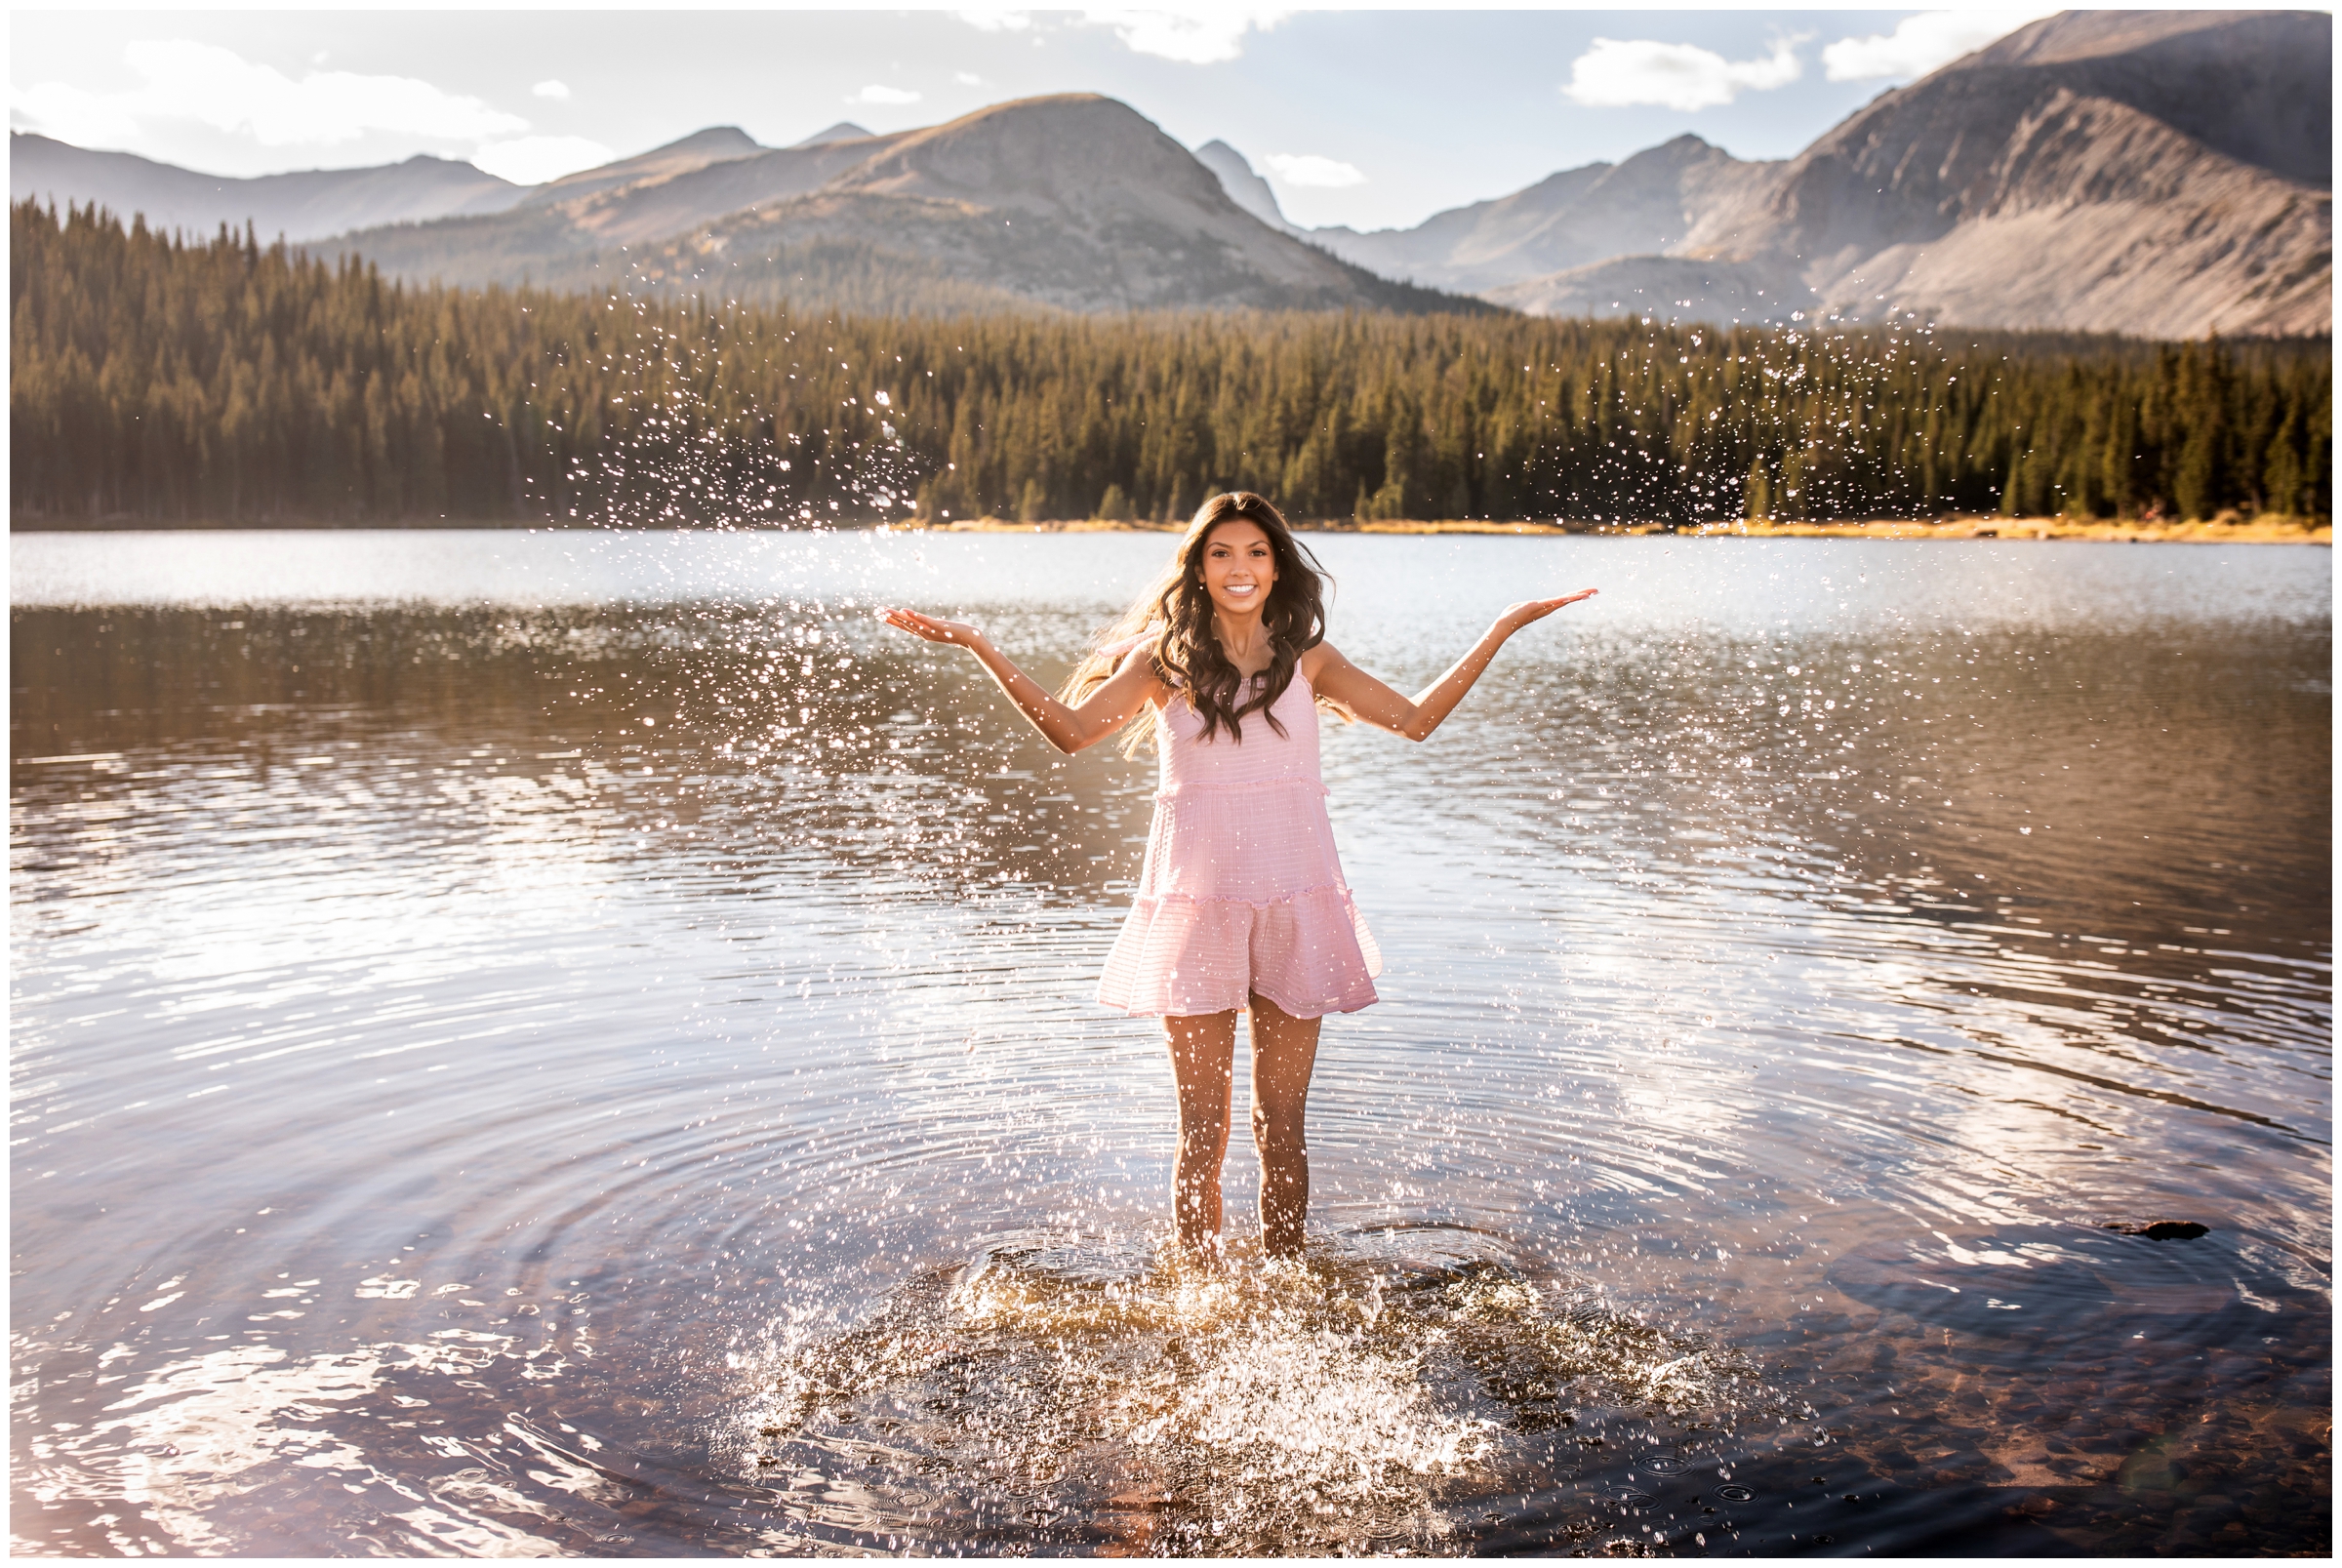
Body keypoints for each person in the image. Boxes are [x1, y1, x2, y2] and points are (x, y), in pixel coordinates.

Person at [877, 492, 1595, 1262]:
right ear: (1199, 568)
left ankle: (1286, 1288)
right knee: (1202, 1130)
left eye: (1255, 551)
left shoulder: (1310, 663)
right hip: (1197, 918)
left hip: (1296, 910)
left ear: (1278, 565)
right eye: (1221, 553)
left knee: (1281, 1128)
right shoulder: (1164, 663)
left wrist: (1503, 626)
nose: (1240, 567)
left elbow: (1417, 719)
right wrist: (979, 644)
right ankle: (1198, 1294)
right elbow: (1072, 730)